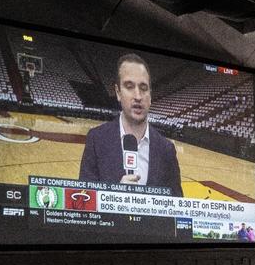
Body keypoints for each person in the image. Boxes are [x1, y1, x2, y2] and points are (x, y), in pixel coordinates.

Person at [78, 53, 182, 196]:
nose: (138, 96)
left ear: (150, 95)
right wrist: (115, 196)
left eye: (144, 88)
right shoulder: (97, 139)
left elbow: (176, 208)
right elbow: (84, 199)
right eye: (129, 86)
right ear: (118, 92)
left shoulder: (167, 150)